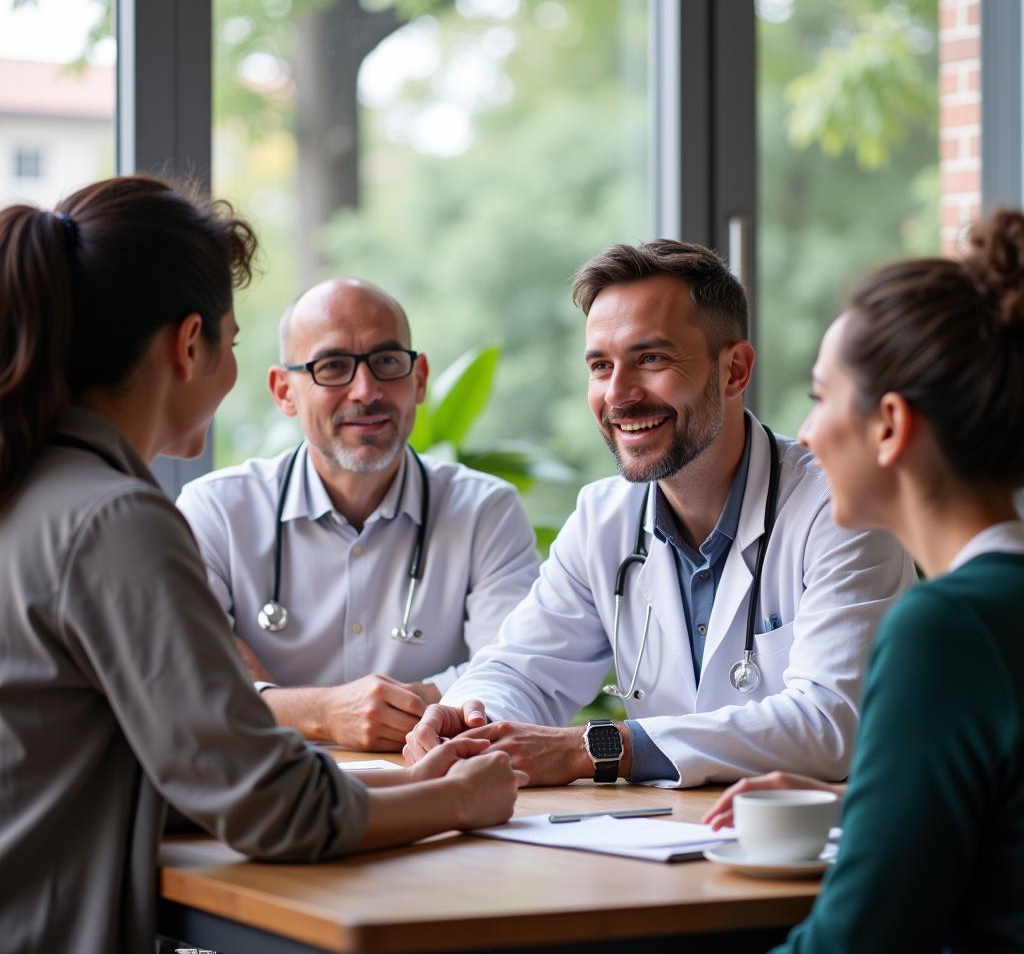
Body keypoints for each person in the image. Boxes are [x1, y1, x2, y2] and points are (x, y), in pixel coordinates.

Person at [0, 176, 522, 954]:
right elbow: (268, 806)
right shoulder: (118, 520)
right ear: (188, 346)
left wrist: (414, 782)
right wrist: (456, 803)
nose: (365, 391)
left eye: (386, 363)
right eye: (233, 341)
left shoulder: (36, 489)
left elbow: (180, 772)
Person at [404, 239, 917, 788]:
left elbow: (830, 722)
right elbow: (521, 667)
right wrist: (468, 718)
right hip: (667, 842)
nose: (619, 395)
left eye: (651, 358)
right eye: (601, 366)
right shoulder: (603, 519)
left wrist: (599, 747)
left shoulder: (841, 508)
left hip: (815, 852)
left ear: (734, 371)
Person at [701, 211, 1024, 952]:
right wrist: (858, 808)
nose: (805, 434)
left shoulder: (947, 631)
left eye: (820, 397)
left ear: (888, 425)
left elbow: (862, 940)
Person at [176, 277, 539, 751]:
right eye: (333, 367)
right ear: (284, 391)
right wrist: (325, 713)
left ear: (420, 378)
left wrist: (281, 705)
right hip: (268, 798)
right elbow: (190, 689)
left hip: (436, 792)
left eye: (387, 362)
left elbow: (514, 674)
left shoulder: (485, 511)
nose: (365, 391)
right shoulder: (217, 513)